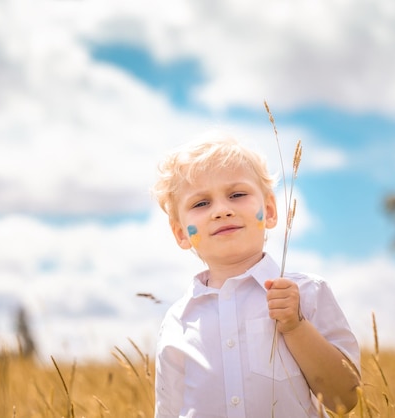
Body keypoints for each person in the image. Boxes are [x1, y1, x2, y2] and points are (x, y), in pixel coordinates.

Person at [151, 134, 360, 417]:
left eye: (237, 195)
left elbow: (344, 399)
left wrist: (296, 327)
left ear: (270, 211)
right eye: (201, 203)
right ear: (180, 233)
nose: (222, 211)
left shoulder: (308, 292)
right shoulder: (178, 322)